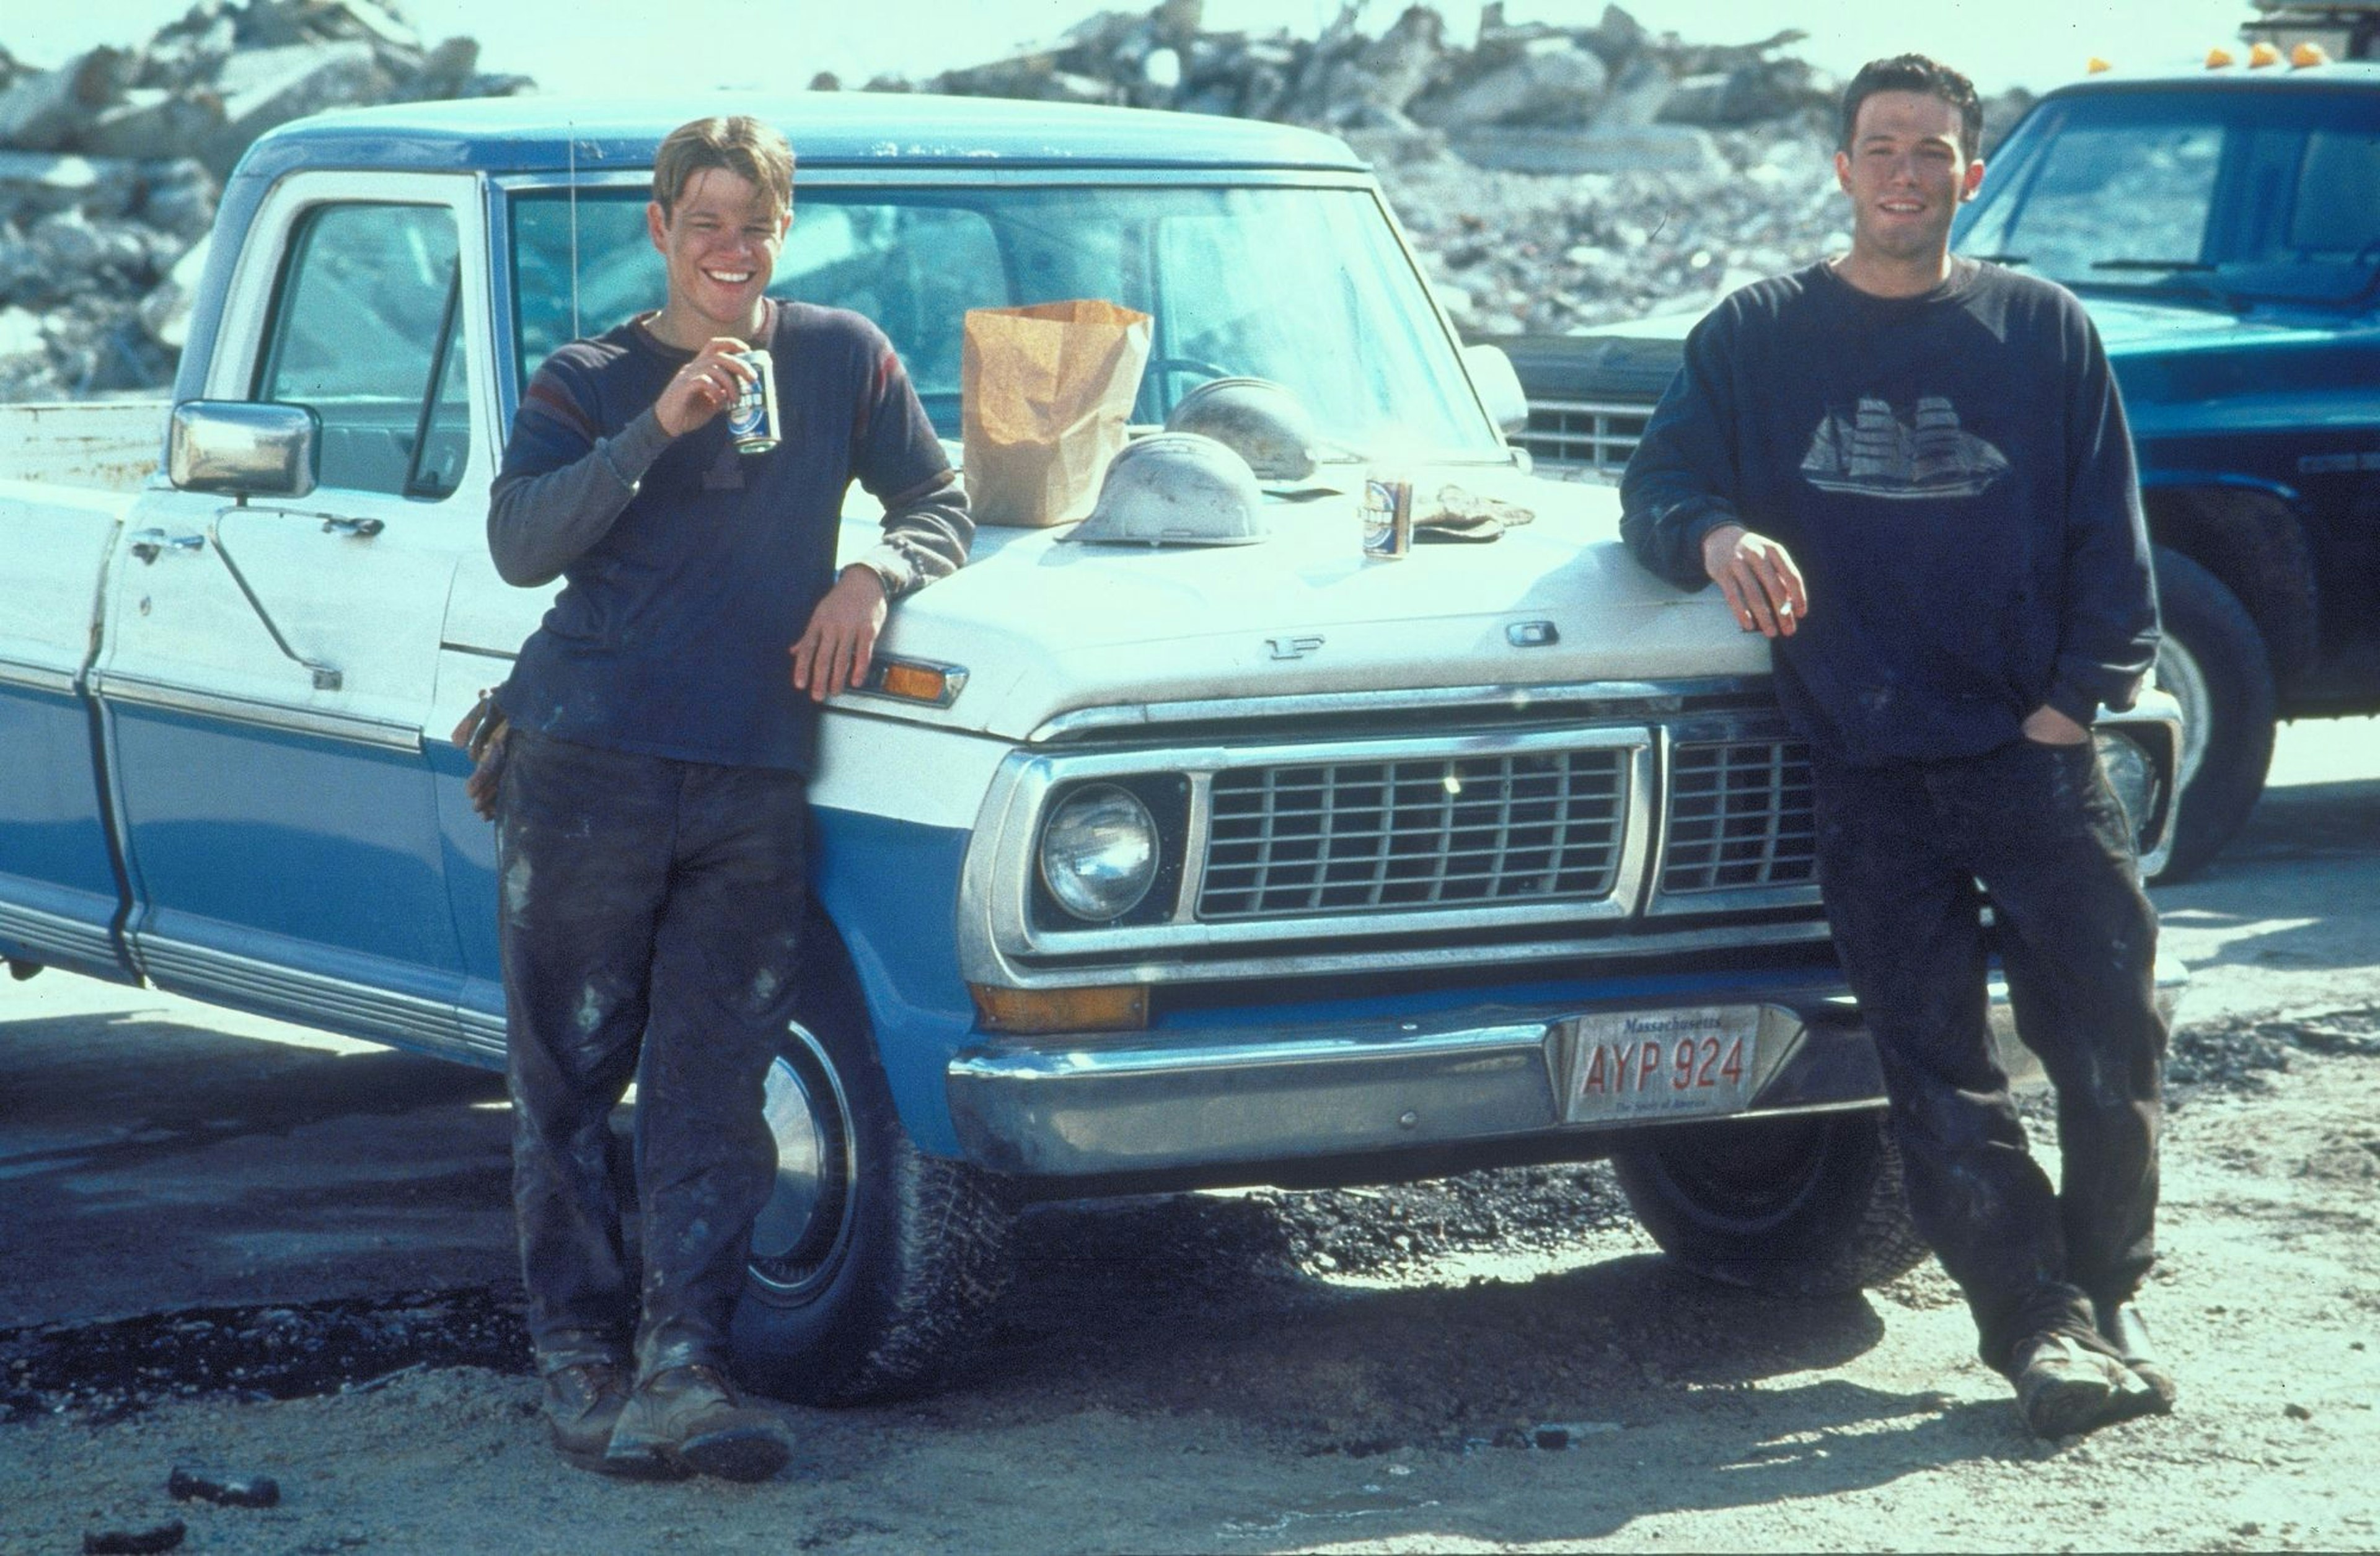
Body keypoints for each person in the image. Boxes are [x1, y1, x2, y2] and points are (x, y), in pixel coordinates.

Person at [1617, 55, 2173, 1439]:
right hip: (1866, 768)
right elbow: (1659, 483)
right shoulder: (1756, 335)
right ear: (1842, 166)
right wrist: (1720, 535)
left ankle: (2110, 1292)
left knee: (2112, 1034)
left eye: (1933, 151)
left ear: (1970, 174)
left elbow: (2116, 544)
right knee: (1935, 1067)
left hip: (2035, 757)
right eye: (1882, 148)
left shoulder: (2044, 332)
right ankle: (2035, 1328)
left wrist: (2067, 707)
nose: (1906, 173)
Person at [483, 114, 971, 1479]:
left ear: (781, 233)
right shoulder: (587, 376)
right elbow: (521, 542)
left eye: (752, 224)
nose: (729, 250)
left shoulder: (837, 355)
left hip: (753, 774)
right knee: (571, 1078)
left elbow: (942, 497)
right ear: (658, 229)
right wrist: (661, 421)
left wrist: (872, 576)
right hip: (586, 760)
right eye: (703, 223)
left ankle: (684, 1370)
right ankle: (582, 1365)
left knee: (715, 1089)